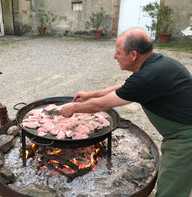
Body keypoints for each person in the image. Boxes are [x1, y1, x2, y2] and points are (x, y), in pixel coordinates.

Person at [60, 27, 192, 197]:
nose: (115, 57)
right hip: (183, 132)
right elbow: (124, 88)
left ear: (134, 55)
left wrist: (73, 108)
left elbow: (103, 105)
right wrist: (90, 94)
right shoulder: (157, 64)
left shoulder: (147, 76)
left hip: (186, 139)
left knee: (170, 190)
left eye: (118, 53)